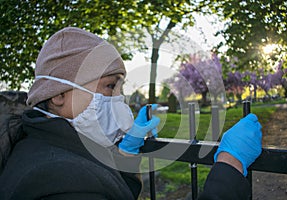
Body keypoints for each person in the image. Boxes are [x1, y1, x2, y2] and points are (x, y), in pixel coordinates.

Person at [0, 27, 262, 200]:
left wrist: (125, 154)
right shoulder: (57, 182)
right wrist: (230, 165)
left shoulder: (39, 145)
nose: (120, 99)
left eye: (121, 87)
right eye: (110, 86)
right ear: (58, 95)